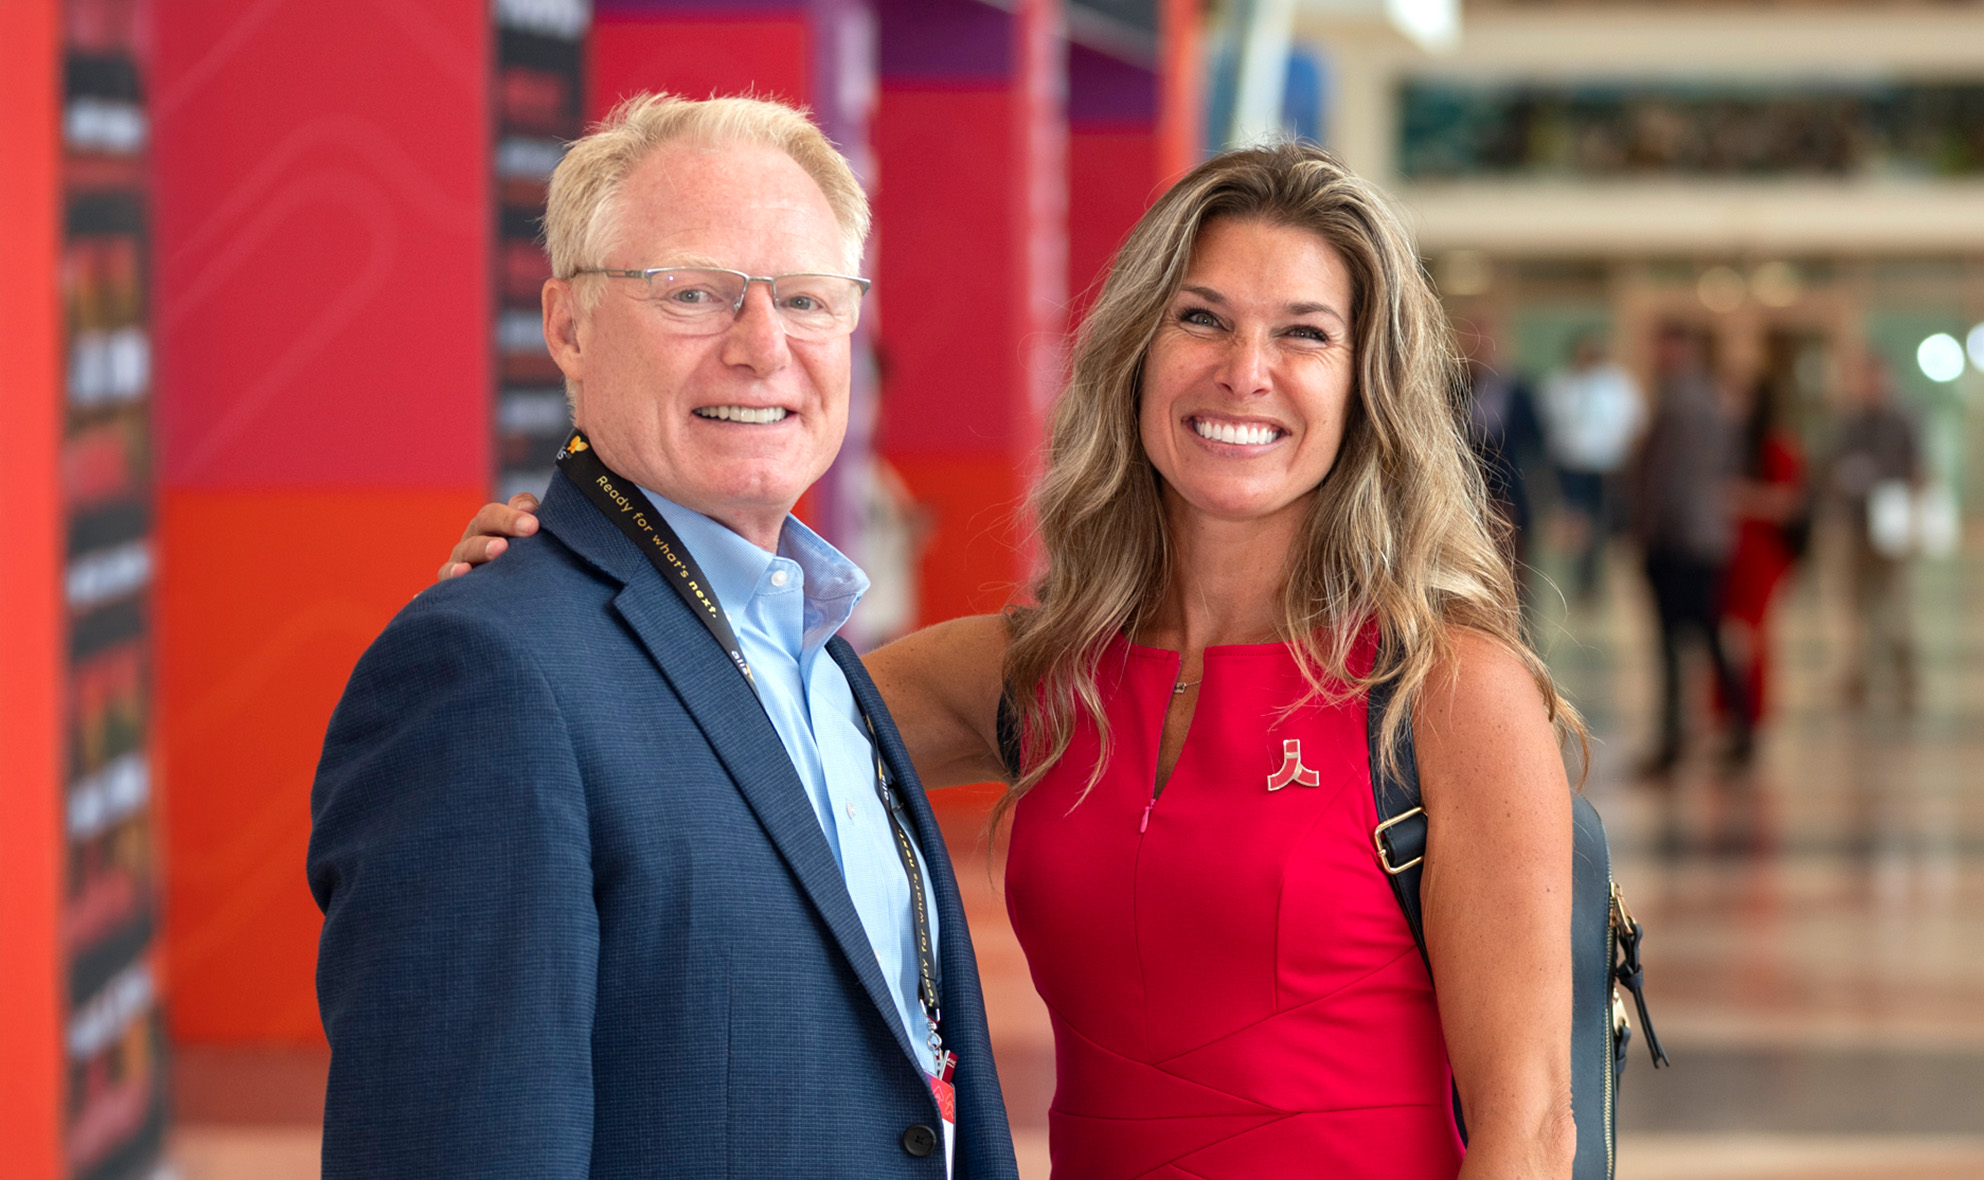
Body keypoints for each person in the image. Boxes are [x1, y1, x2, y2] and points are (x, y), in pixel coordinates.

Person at [451, 143, 1580, 1179]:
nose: (1244, 370)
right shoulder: (1039, 676)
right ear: (1137, 353)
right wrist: (561, 603)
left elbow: (1527, 1121)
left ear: (1362, 388)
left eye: (1303, 333)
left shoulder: (1446, 692)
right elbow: (714, 727)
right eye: (1201, 319)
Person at [311, 94, 1015, 1178]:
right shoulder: (486, 674)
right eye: (693, 294)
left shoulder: (812, 650)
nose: (761, 347)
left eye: (806, 300)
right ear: (566, 325)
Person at [1629, 324, 1754, 769]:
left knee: (1675, 642)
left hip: (1679, 538)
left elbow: (1668, 481)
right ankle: (1737, 727)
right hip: (1705, 535)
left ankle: (1677, 739)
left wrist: (1648, 532)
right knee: (1706, 635)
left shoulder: (1681, 403)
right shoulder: (1712, 401)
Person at [1826, 354, 1924, 709]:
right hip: (1855, 522)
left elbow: (1919, 469)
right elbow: (1833, 464)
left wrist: (1912, 517)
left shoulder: (1903, 419)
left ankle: (1906, 677)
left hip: (1891, 521)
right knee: (1855, 605)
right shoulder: (1852, 421)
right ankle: (1858, 676)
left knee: (1896, 604)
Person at [1717, 374, 1808, 728]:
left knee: (1753, 634)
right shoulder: (1729, 444)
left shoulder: (1776, 446)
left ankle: (1752, 707)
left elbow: (1786, 503)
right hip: (1730, 548)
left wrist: (1741, 498)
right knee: (1726, 631)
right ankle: (1726, 707)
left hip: (1763, 550)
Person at [1539, 332, 1646, 602]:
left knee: (1604, 524)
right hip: (1571, 466)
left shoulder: (1618, 384)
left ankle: (1597, 581)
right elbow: (1549, 424)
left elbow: (1634, 423)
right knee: (1576, 526)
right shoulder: (1560, 383)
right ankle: (1578, 580)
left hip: (1607, 467)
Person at [1456, 319, 1547, 605]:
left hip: (1510, 494)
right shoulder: (1454, 383)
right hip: (1464, 493)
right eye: (1473, 335)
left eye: (1485, 333)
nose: (1480, 342)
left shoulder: (1517, 388)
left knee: (1515, 577)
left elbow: (1535, 444)